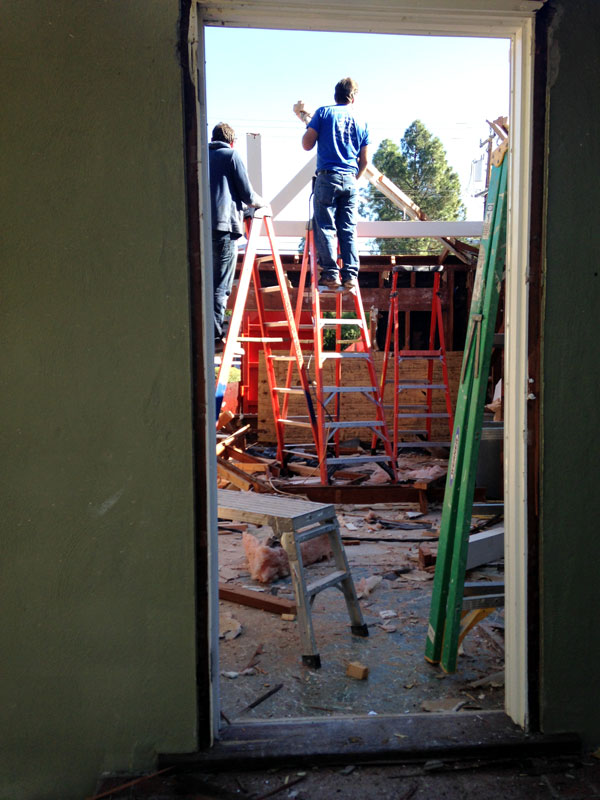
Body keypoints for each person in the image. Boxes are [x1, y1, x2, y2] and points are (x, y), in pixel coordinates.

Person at [300, 77, 369, 291]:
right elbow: (364, 161)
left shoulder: (323, 113)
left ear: (335, 95)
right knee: (347, 228)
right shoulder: (361, 121)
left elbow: (307, 144)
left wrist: (311, 127)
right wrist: (352, 181)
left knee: (326, 226)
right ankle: (350, 276)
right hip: (349, 178)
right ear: (353, 97)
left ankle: (331, 274)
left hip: (327, 177)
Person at [208, 122, 265, 353]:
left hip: (201, 230)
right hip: (224, 229)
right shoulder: (231, 155)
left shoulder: (201, 156)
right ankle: (213, 337)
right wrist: (262, 204)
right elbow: (248, 195)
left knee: (205, 283)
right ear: (232, 141)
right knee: (220, 286)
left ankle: (204, 332)